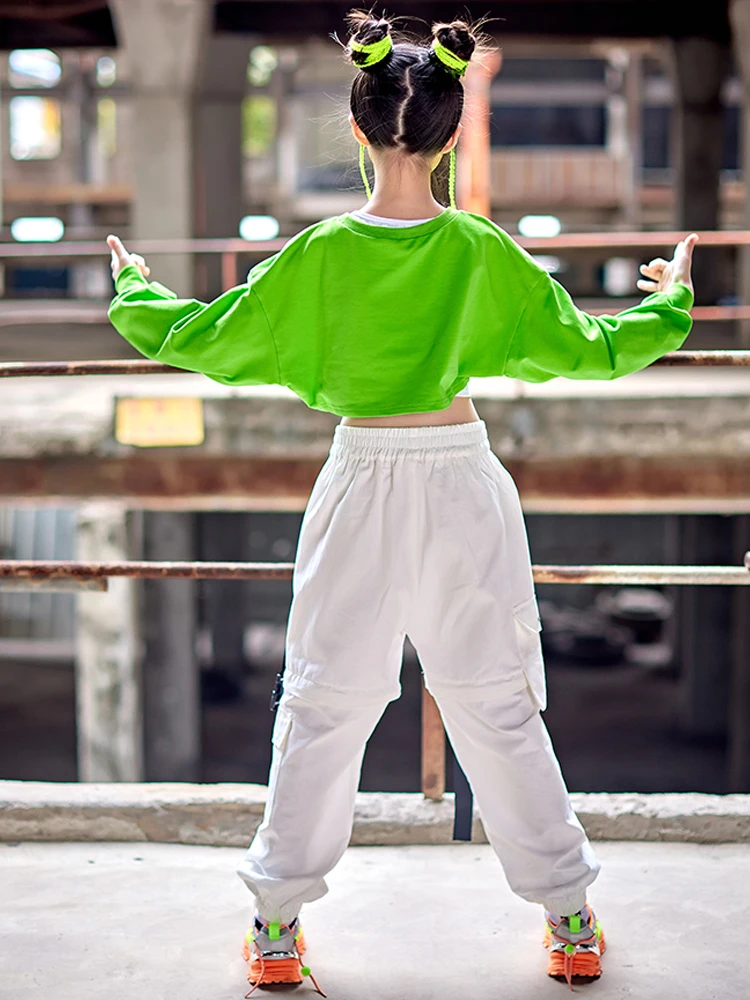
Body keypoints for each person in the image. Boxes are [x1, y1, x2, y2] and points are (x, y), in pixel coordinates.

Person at [106, 10, 697, 994]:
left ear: (359, 126)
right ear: (451, 132)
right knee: (497, 704)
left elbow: (206, 339)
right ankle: (572, 916)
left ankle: (278, 926)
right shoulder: (479, 249)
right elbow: (594, 349)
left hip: (363, 476)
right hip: (464, 475)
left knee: (325, 701)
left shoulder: (322, 253)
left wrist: (133, 294)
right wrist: (668, 298)